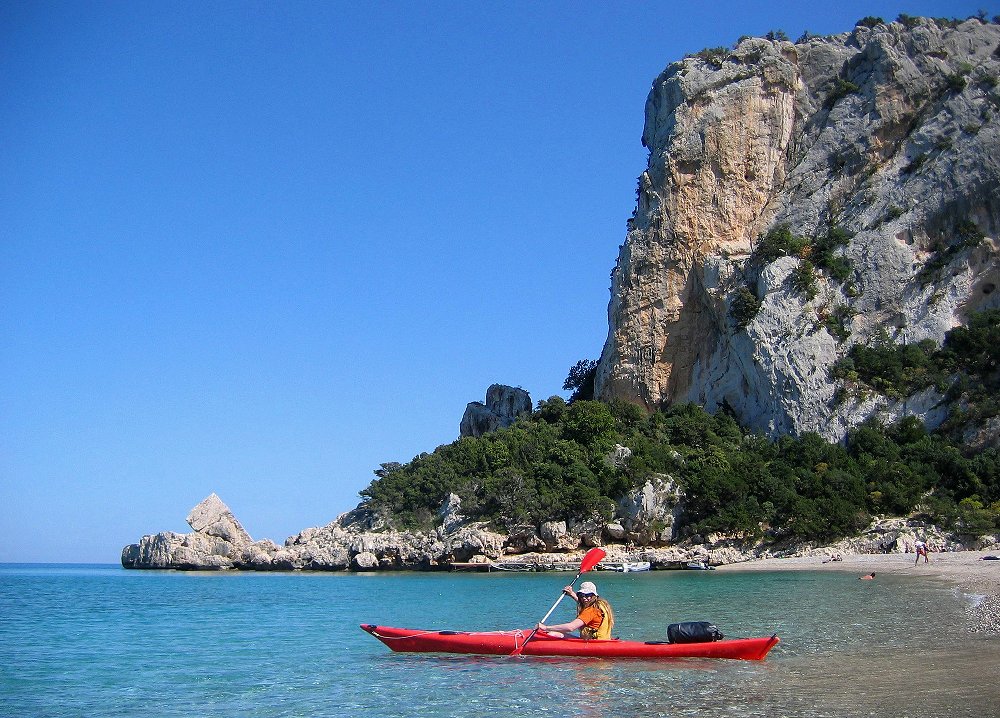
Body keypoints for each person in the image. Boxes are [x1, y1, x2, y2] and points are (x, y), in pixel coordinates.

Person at [536, 581, 614, 639]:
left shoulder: (590, 611)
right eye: (581, 595)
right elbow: (583, 603)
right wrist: (571, 594)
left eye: (588, 595)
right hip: (602, 640)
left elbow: (571, 627)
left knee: (553, 634)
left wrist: (545, 628)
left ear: (594, 596)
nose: (584, 598)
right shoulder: (601, 605)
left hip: (592, 643)